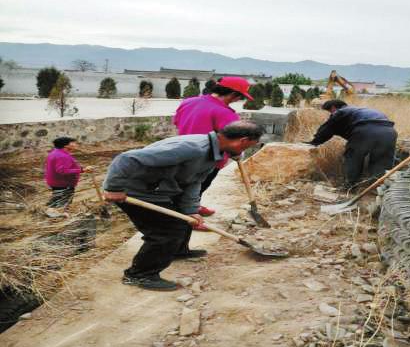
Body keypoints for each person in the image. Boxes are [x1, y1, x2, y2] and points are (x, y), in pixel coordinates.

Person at [102, 121, 264, 291]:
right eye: (247, 147)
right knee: (166, 232)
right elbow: (126, 158)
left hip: (157, 188)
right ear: (242, 141)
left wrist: (191, 211)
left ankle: (177, 251)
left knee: (185, 219)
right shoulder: (192, 148)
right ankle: (139, 275)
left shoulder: (212, 151)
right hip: (134, 191)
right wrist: (114, 188)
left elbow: (194, 181)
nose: (243, 152)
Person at [173, 77, 253, 219]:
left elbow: (177, 122)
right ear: (233, 94)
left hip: (181, 152)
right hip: (208, 159)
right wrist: (236, 153)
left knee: (182, 187)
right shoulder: (226, 113)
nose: (238, 100)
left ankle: (193, 206)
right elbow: (233, 141)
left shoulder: (189, 102)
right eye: (240, 97)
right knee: (197, 187)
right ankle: (186, 217)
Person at [308, 100, 397, 189]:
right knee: (381, 161)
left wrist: (315, 142)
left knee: (353, 157)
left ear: (333, 108)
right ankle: (378, 188)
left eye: (329, 111)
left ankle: (350, 186)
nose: (330, 114)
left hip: (367, 130)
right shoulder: (361, 111)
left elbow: (328, 127)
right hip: (389, 132)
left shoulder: (342, 111)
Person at [44, 137, 93, 217]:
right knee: (64, 201)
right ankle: (59, 216)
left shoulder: (56, 153)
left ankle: (51, 210)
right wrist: (82, 170)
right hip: (63, 183)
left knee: (58, 197)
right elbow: (62, 171)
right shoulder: (62, 156)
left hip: (56, 181)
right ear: (66, 145)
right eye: (73, 143)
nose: (75, 144)